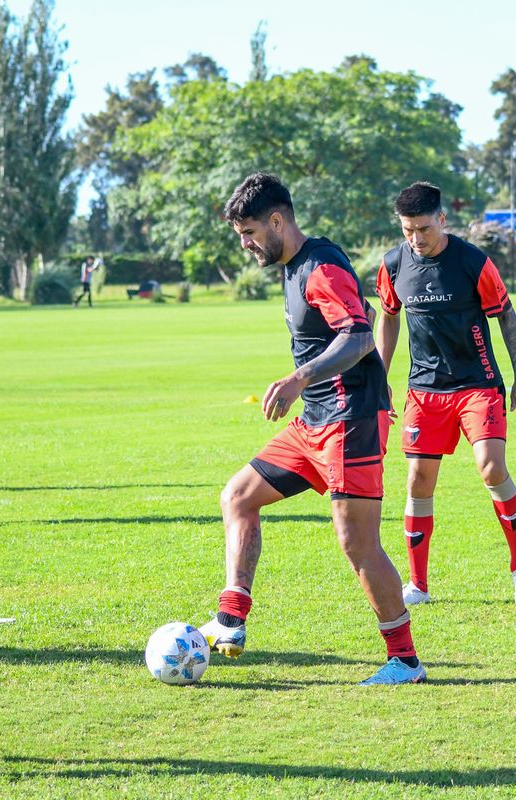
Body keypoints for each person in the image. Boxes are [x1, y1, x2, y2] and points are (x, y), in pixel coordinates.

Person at [199, 173, 425, 685]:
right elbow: (359, 312)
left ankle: (406, 661)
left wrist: (300, 377)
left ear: (278, 221)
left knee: (357, 542)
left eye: (251, 232)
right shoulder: (294, 265)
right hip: (314, 423)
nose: (246, 244)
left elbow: (359, 335)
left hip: (350, 422)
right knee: (238, 496)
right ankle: (231, 621)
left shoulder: (318, 266)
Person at [374, 182, 516, 609]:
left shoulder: (472, 262)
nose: (417, 239)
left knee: (490, 468)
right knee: (417, 480)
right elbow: (389, 318)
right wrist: (378, 375)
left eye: (424, 228)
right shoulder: (393, 264)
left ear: (442, 220)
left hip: (477, 384)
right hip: (424, 391)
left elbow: (506, 315)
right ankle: (419, 585)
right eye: (408, 230)